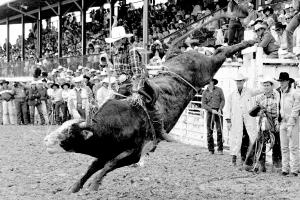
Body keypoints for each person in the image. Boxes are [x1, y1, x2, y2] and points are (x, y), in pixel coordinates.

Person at [244, 76, 281, 172]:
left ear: (272, 86)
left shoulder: (277, 95)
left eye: (268, 85)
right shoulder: (260, 97)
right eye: (264, 85)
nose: (266, 87)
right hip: (263, 123)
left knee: (276, 143)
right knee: (259, 142)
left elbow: (279, 110)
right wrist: (259, 113)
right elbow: (252, 112)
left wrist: (277, 122)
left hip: (274, 121)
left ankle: (277, 164)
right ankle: (260, 164)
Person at [225, 73, 261, 166]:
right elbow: (227, 108)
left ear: (244, 82)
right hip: (236, 120)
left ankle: (245, 158)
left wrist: (268, 86)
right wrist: (228, 121)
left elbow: (259, 91)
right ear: (235, 82)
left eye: (240, 81)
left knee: (248, 138)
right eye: (237, 81)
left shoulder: (249, 91)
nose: (239, 83)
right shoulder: (232, 95)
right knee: (236, 139)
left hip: (247, 120)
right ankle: (233, 159)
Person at [276, 72, 299, 176]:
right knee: (284, 147)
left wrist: (291, 122)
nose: (281, 83)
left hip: (293, 122)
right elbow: (279, 107)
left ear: (288, 82)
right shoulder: (280, 93)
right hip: (283, 122)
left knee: (293, 146)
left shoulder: (295, 93)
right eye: (280, 81)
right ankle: (285, 169)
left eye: (283, 81)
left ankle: (295, 169)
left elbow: (296, 109)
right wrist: (278, 119)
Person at [201, 78, 225, 155]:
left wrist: (220, 109)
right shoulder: (204, 92)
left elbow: (223, 100)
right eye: (208, 82)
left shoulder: (219, 90)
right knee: (209, 131)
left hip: (218, 111)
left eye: (211, 82)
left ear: (213, 82)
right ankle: (211, 149)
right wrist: (211, 110)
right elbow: (203, 104)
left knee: (219, 130)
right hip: (210, 112)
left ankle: (220, 149)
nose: (210, 83)